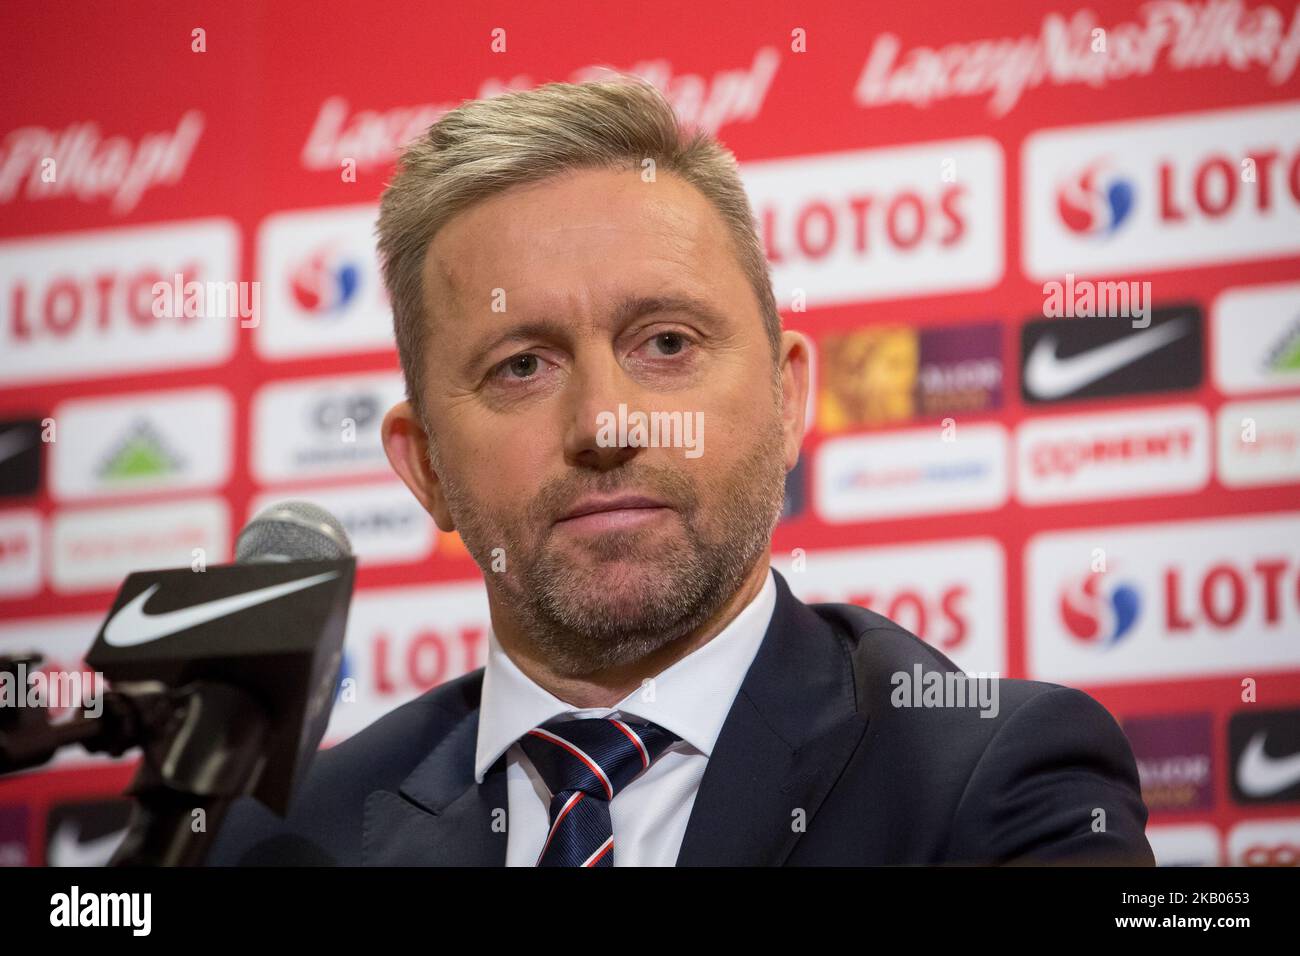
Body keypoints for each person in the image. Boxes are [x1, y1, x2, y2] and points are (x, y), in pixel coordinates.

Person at [206, 77, 1153, 866]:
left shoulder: (991, 781)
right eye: (521, 366)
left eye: (666, 342)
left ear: (786, 401)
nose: (604, 425)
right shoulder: (283, 844)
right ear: (427, 469)